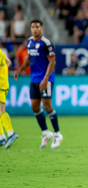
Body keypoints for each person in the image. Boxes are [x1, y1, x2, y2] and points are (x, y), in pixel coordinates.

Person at [14, 20, 63, 149]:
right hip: (34, 79)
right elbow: (30, 58)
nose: (34, 29)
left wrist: (46, 79)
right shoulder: (30, 41)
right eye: (32, 27)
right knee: (35, 106)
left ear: (41, 28)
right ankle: (46, 133)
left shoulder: (46, 43)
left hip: (45, 79)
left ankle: (57, 134)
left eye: (37, 27)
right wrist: (20, 69)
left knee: (47, 106)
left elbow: (52, 62)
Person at [0, 49, 19, 149]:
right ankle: (1, 138)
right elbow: (8, 62)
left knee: (1, 111)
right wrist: (3, 72)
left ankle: (11, 133)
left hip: (0, 86)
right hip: (3, 84)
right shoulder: (1, 52)